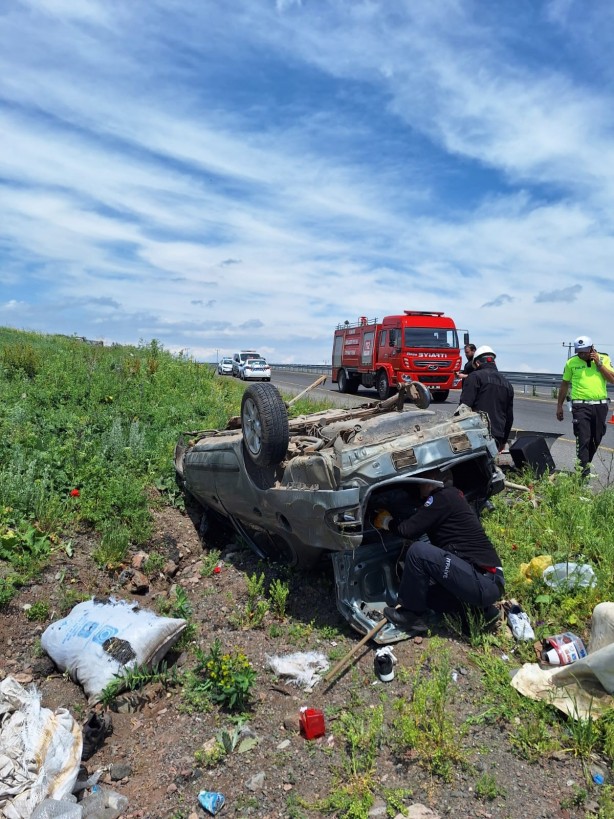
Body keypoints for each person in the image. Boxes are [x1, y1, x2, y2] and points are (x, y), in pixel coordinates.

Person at [373, 469, 504, 634]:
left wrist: (387, 522)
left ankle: (410, 615)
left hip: (484, 581)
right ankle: (480, 614)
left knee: (418, 551)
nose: (418, 486)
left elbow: (407, 530)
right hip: (485, 581)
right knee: (429, 596)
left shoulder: (442, 497)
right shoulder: (452, 497)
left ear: (432, 481)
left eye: (421, 481)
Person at [556, 335, 614, 478]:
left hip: (600, 406)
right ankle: (583, 476)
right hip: (580, 406)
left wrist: (599, 364)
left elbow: (612, 380)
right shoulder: (571, 363)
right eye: (579, 352)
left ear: (592, 348)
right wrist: (559, 406)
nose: (581, 355)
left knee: (596, 438)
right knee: (583, 439)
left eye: (584, 351)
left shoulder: (604, 358)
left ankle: (585, 465)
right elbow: (564, 384)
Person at [458, 345, 514, 451]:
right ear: (494, 362)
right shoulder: (507, 384)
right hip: (497, 437)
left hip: (476, 435)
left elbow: (464, 408)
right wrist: (503, 441)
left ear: (477, 363)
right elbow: (509, 418)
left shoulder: (474, 377)